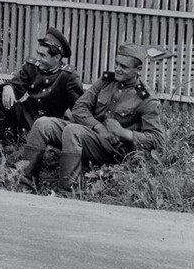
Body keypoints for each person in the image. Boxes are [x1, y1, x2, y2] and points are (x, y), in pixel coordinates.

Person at [16, 43, 165, 190]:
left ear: (138, 69)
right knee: (42, 124)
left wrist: (125, 133)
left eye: (124, 67)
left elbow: (158, 139)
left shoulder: (146, 98)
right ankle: (25, 183)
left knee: (73, 130)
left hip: (113, 150)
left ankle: (68, 190)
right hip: (91, 136)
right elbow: (79, 107)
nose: (118, 69)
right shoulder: (106, 81)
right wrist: (99, 126)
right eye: (117, 64)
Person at [0, 27, 83, 149]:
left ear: (57, 58)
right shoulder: (31, 67)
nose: (38, 58)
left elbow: (79, 109)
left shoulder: (69, 77)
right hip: (27, 114)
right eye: (38, 53)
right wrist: (8, 87)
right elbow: (16, 86)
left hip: (50, 123)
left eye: (43, 55)